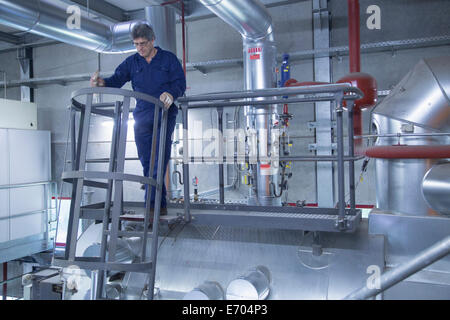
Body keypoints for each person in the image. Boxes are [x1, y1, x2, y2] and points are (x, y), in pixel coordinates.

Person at [90, 23, 186, 215]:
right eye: (136, 44)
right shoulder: (132, 62)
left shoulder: (168, 59)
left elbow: (180, 83)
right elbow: (117, 79)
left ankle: (151, 207)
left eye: (143, 43)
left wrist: (171, 93)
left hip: (164, 115)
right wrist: (103, 82)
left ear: (152, 41)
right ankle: (160, 203)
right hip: (142, 117)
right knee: (146, 160)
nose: (140, 48)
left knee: (159, 158)